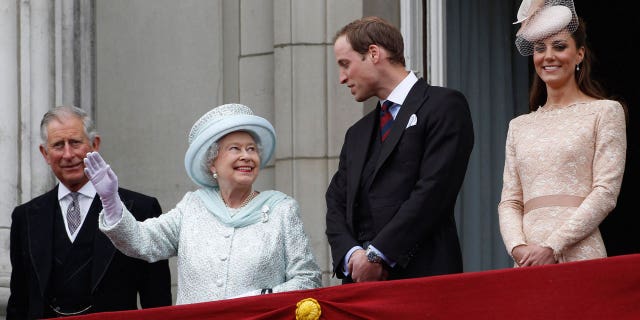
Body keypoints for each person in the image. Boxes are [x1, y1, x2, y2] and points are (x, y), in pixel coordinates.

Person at [83, 103, 322, 304]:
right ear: (212, 163)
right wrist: (111, 200)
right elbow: (142, 242)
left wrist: (262, 297)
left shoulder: (282, 210)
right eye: (235, 149)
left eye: (251, 149)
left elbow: (308, 278)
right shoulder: (192, 207)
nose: (246, 156)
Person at [325, 16, 475, 283]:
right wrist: (353, 257)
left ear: (373, 53)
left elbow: (434, 190)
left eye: (345, 64)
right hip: (360, 290)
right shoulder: (356, 134)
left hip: (426, 282)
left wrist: (378, 255)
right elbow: (336, 203)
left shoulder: (444, 105)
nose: (342, 78)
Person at [7, 106, 172, 319]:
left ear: (94, 145)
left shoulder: (140, 209)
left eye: (75, 142)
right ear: (45, 153)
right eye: (58, 145)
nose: (68, 154)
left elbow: (157, 302)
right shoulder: (26, 217)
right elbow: (19, 302)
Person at [498, 0, 627, 267]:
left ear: (579, 54)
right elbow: (510, 201)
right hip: (528, 260)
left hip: (580, 252)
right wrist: (518, 248)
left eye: (559, 47)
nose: (548, 56)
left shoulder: (605, 112)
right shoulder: (518, 126)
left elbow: (605, 192)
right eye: (539, 49)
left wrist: (553, 246)